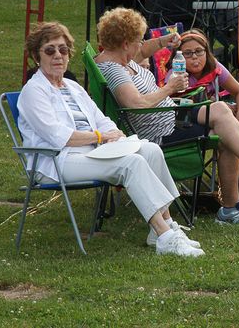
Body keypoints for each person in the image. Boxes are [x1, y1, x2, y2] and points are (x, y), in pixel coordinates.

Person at [18, 21, 204, 257]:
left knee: (150, 151)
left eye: (63, 50)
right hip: (56, 161)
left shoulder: (73, 87)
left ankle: (162, 229)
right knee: (131, 163)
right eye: (50, 50)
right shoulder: (34, 91)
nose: (58, 56)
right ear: (37, 56)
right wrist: (100, 136)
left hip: (90, 151)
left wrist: (116, 135)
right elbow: (58, 137)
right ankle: (165, 235)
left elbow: (100, 118)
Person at [94, 7, 239, 225]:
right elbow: (135, 104)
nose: (141, 45)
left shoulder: (120, 59)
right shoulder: (115, 70)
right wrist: (169, 88)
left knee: (224, 117)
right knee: (225, 123)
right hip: (160, 132)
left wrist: (163, 41)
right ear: (125, 43)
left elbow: (144, 52)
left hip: (172, 116)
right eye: (138, 40)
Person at [166, 29, 239, 127]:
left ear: (206, 52)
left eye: (199, 51)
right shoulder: (176, 75)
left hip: (219, 110)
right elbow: (177, 111)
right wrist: (218, 107)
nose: (194, 56)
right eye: (187, 53)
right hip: (192, 121)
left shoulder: (213, 66)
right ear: (178, 57)